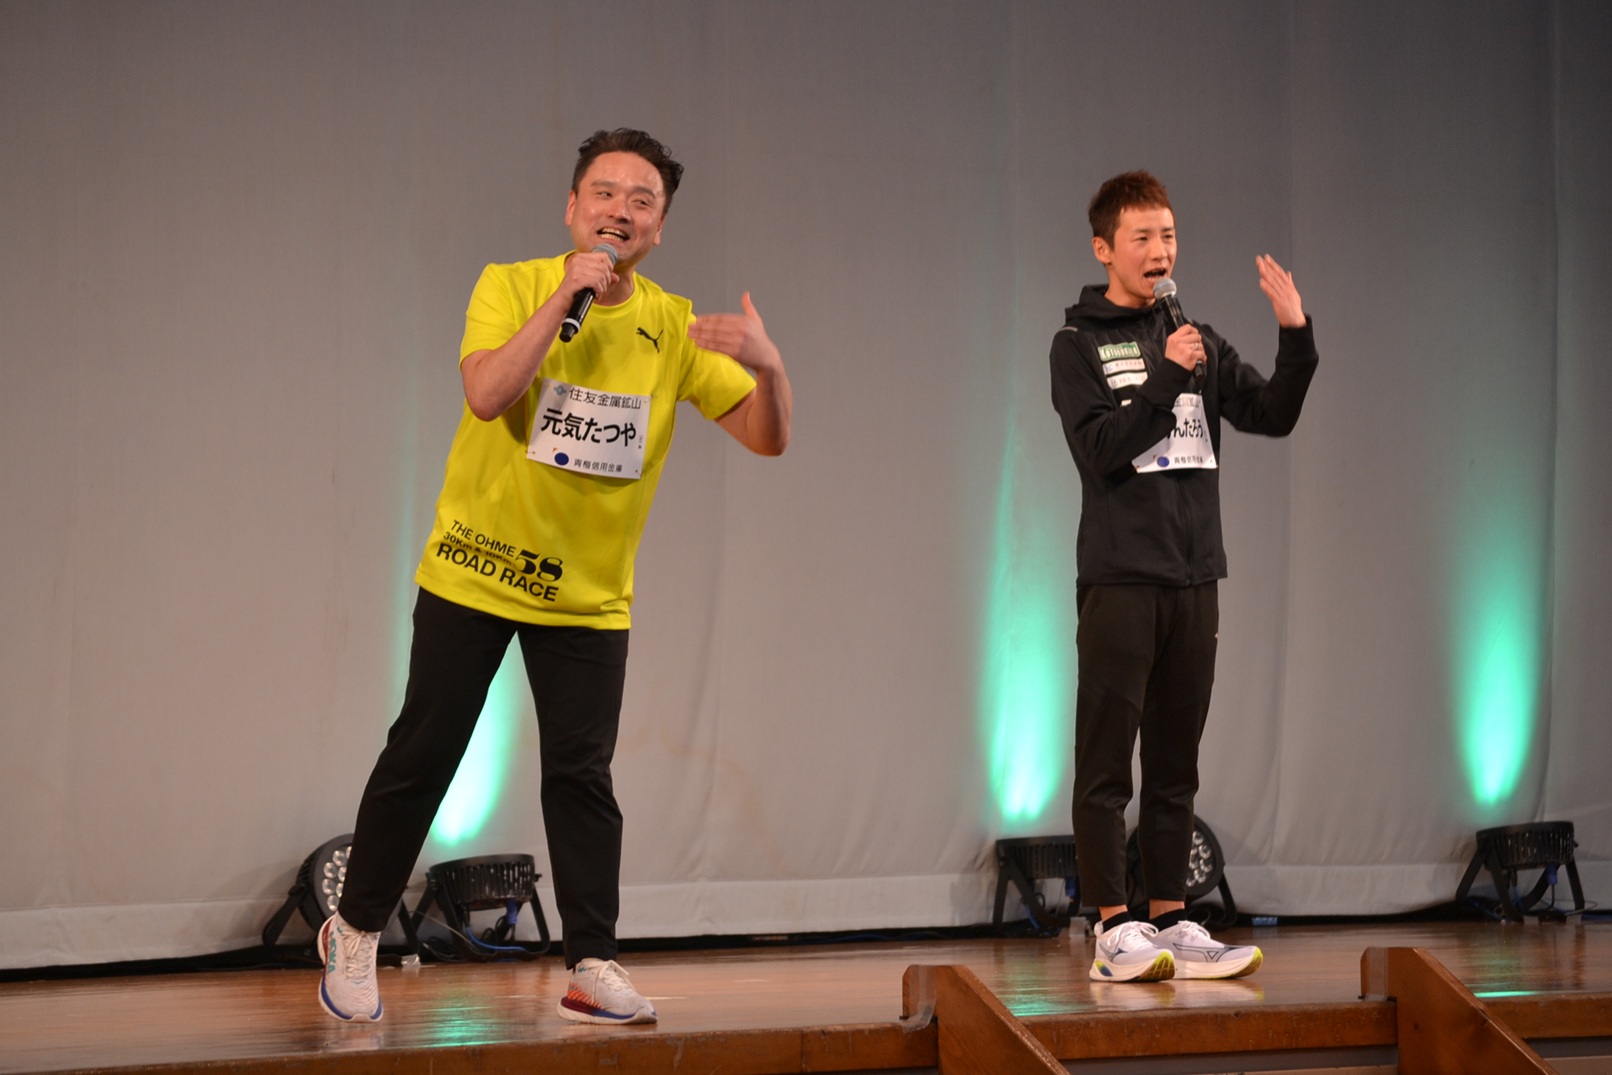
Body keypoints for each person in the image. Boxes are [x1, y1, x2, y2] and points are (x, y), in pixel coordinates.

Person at [317, 128, 792, 1025]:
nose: (621, 210)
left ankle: (591, 962)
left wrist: (770, 369)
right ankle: (356, 926)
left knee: (583, 778)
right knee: (424, 752)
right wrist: (566, 297)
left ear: (659, 227)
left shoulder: (671, 325)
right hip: (477, 568)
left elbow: (767, 436)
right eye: (605, 193)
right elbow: (488, 393)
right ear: (572, 206)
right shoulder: (511, 285)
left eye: (642, 200)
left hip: (587, 597)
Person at [1049, 171, 1317, 982]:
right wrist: (1165, 376)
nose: (1160, 250)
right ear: (1104, 249)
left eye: (1168, 235)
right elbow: (1102, 451)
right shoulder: (1077, 345)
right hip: (1121, 580)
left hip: (1194, 578)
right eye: (1142, 237)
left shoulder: (1194, 337)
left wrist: (1295, 334)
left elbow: (1271, 413)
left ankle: (1169, 916)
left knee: (1176, 762)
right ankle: (1112, 926)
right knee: (1108, 763)